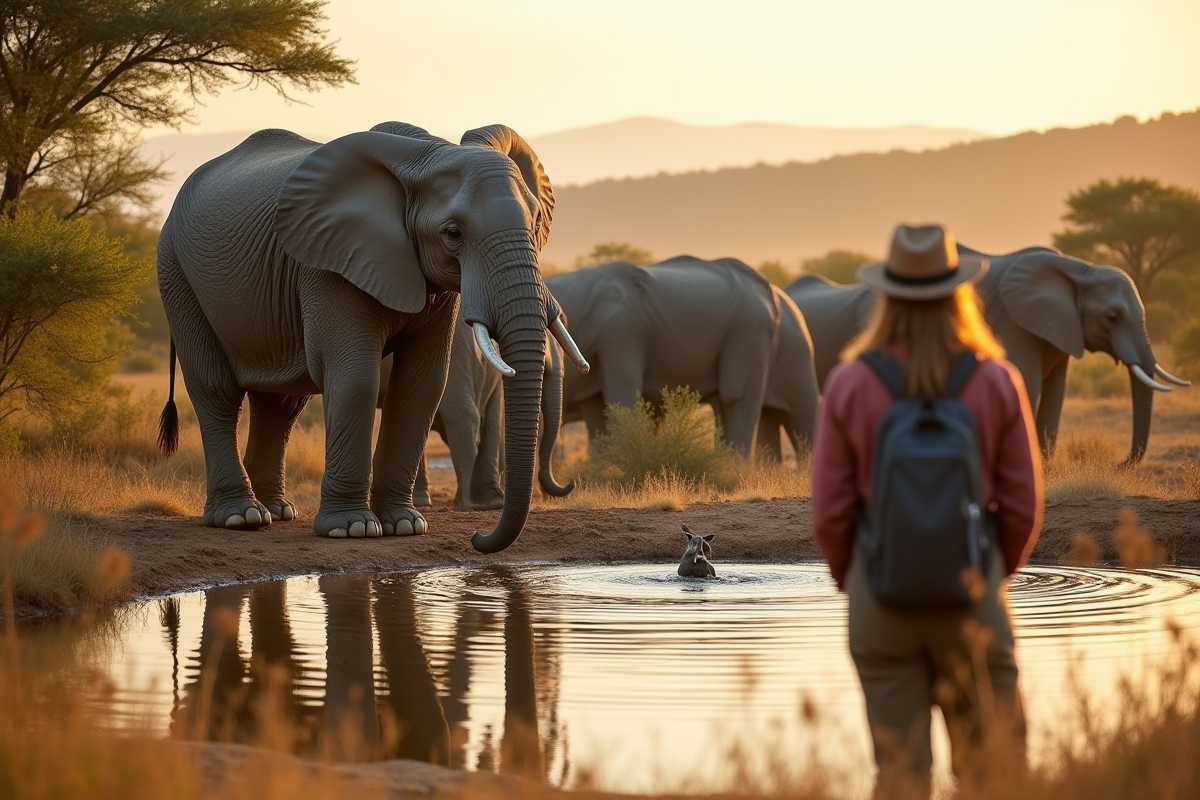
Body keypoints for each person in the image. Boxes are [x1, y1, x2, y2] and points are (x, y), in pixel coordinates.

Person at [812, 223, 1043, 799]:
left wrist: (860, 582)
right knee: (995, 777)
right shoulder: (997, 380)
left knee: (899, 776)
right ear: (960, 292)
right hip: (972, 597)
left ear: (886, 296)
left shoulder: (848, 383)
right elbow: (1021, 508)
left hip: (879, 600)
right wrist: (985, 577)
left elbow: (831, 515)